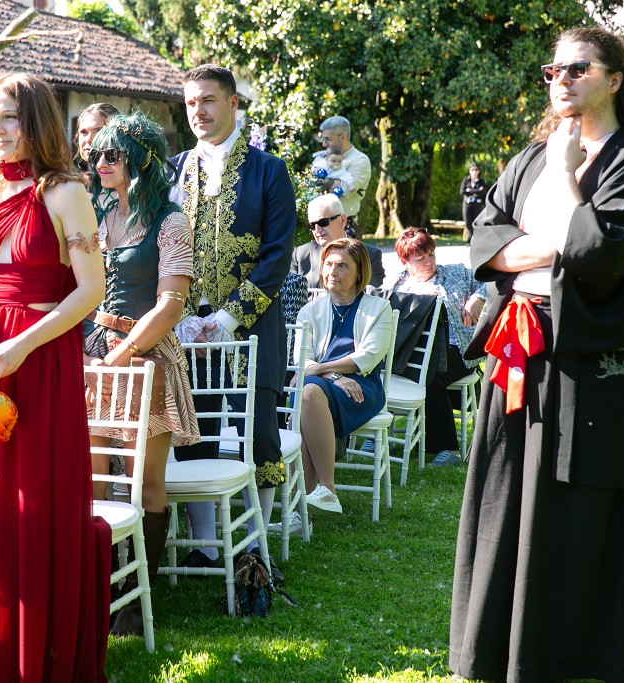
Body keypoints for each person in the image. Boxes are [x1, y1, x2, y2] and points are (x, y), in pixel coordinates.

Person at [449, 27, 624, 683]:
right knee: (506, 489)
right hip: (518, 346)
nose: (562, 80)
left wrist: (571, 180)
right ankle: (498, 651)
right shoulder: (530, 158)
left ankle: (577, 653)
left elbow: (602, 254)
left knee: (577, 501)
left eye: (578, 68)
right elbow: (485, 244)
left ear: (614, 80)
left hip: (588, 355)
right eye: (554, 70)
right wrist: (556, 241)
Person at [0, 72, 109, 682]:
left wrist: (22, 343)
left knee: (35, 502)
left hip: (41, 359)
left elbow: (89, 291)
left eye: (9, 117)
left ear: (36, 120)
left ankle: (39, 655)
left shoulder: (65, 193)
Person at [169, 64, 295, 577]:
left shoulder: (270, 171)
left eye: (208, 100)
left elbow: (277, 255)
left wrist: (229, 316)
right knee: (193, 431)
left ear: (232, 103)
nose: (198, 111)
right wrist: (179, 313)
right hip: (186, 328)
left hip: (254, 326)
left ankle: (256, 548)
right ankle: (203, 543)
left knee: (258, 432)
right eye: (191, 102)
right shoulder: (173, 170)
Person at [84, 112, 200, 634]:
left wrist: (125, 352)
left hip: (146, 355)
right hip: (92, 352)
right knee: (94, 479)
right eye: (97, 154)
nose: (101, 163)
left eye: (113, 154)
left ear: (142, 159)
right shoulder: (95, 213)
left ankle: (138, 597)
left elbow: (171, 304)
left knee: (145, 482)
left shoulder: (171, 221)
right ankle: (101, 589)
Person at [294, 238, 392, 514]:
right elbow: (302, 359)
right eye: (328, 264)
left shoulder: (378, 308)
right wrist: (334, 376)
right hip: (324, 384)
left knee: (306, 395)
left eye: (342, 266)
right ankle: (308, 505)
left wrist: (322, 370)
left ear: (360, 272)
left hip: (361, 386)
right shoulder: (309, 310)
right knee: (307, 394)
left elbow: (368, 357)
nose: (332, 272)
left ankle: (323, 490)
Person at [390, 227, 485, 467]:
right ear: (404, 262)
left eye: (431, 254)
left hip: (456, 350)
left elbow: (490, 280)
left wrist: (478, 298)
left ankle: (448, 448)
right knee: (384, 369)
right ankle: (379, 434)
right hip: (412, 354)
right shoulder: (398, 285)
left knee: (428, 374)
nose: (429, 262)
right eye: (420, 258)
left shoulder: (454, 273)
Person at [292, 194, 386, 290]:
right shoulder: (300, 256)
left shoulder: (369, 255)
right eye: (312, 225)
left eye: (323, 222)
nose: (317, 230)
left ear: (342, 220)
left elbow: (374, 296)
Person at [315, 115, 371, 231]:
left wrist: (318, 180)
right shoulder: (321, 156)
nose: (324, 144)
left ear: (343, 137)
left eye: (328, 139)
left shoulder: (360, 160)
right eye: (323, 139)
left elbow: (344, 188)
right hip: (317, 225)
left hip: (344, 227)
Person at [75, 102, 120, 182]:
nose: (88, 139)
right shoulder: (69, 182)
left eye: (98, 132)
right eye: (84, 132)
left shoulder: (128, 183)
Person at [460, 162, 486, 241]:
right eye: (472, 169)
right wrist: (476, 191)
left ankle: (471, 240)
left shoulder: (481, 181)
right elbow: (462, 191)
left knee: (476, 222)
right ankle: (471, 237)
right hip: (467, 204)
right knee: (468, 222)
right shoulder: (466, 180)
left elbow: (482, 192)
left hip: (477, 205)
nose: (474, 171)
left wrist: (470, 190)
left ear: (479, 171)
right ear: (469, 171)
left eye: (476, 169)